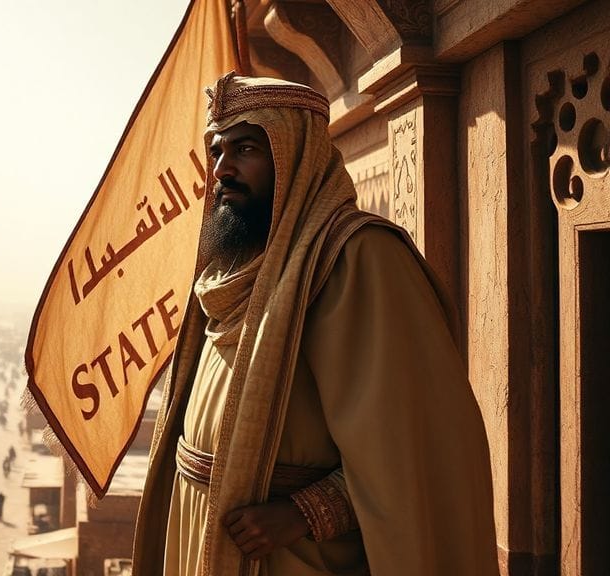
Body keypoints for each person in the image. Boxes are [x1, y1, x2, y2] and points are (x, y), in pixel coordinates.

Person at [132, 74, 498, 575]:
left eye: (245, 149)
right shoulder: (229, 263)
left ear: (295, 154)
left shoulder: (359, 257)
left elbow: (422, 444)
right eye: (217, 151)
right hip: (200, 537)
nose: (222, 169)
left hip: (294, 555)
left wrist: (305, 513)